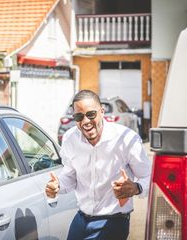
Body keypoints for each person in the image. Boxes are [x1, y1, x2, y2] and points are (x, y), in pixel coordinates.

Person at [45, 90, 151, 240]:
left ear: (102, 112)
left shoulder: (125, 139)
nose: (85, 121)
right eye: (79, 116)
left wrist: (136, 187)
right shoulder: (70, 139)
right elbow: (70, 178)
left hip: (113, 222)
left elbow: (149, 177)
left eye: (91, 114)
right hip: (81, 220)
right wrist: (57, 186)